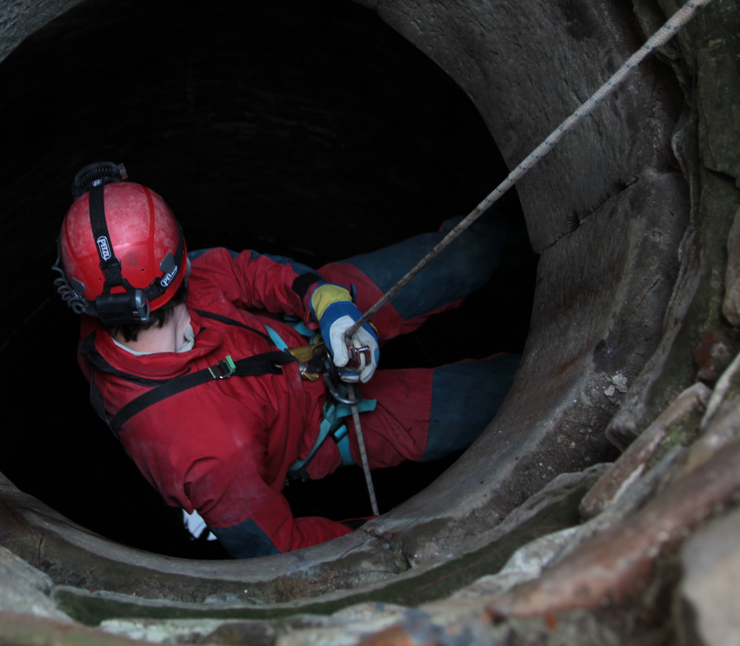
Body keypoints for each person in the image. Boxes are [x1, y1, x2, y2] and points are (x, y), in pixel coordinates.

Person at [55, 162, 521, 558]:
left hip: (308, 326)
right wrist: (388, 546)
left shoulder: (134, 286)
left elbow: (243, 272)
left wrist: (324, 302)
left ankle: (513, 237)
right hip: (324, 425)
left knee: (471, 250)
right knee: (504, 396)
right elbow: (280, 548)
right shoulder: (209, 455)